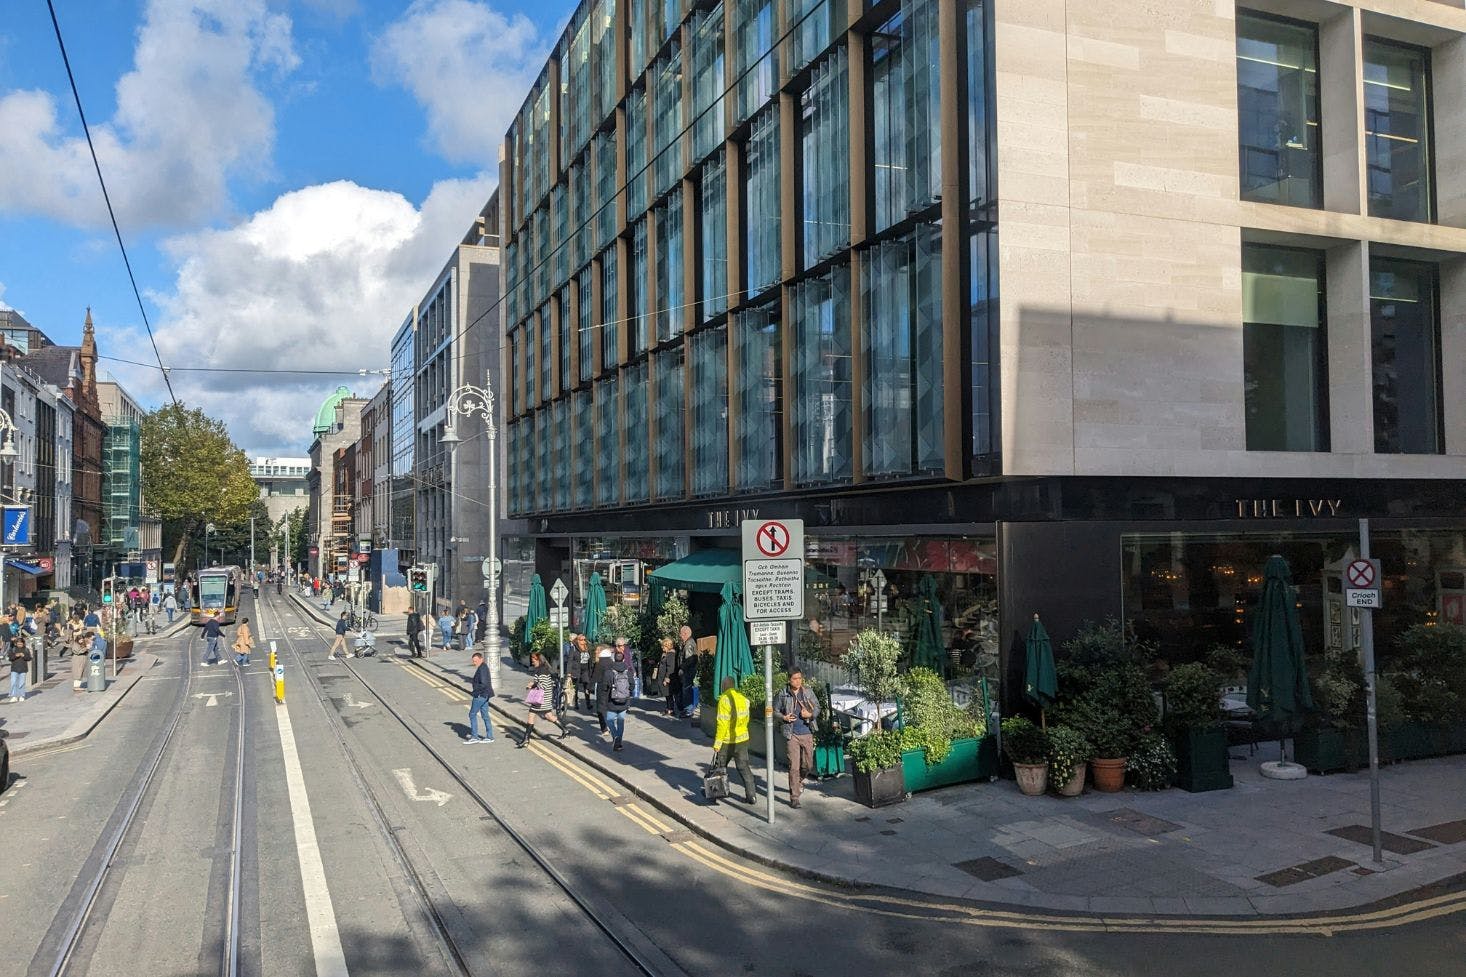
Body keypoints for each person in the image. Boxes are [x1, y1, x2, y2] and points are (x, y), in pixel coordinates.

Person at [773, 669, 820, 809]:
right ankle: (794, 797)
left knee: (808, 765)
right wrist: (784, 717)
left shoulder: (807, 691)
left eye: (799, 678)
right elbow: (774, 711)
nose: (798, 681)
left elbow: (817, 707)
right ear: (789, 680)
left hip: (807, 732)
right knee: (793, 766)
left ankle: (798, 781)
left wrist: (810, 714)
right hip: (791, 733)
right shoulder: (783, 693)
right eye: (794, 678)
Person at [711, 676, 756, 804]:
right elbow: (746, 719)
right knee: (743, 767)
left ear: (724, 686)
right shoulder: (743, 699)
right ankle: (751, 795)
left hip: (726, 741)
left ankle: (716, 793)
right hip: (742, 740)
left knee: (720, 767)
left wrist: (717, 743)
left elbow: (722, 724)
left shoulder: (724, 700)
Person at [518, 651, 569, 747]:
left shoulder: (542, 671)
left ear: (539, 660)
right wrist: (534, 685)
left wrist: (532, 686)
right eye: (532, 659)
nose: (532, 661)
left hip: (542, 699)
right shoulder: (541, 669)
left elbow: (544, 685)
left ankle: (526, 739)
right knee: (549, 716)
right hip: (544, 698)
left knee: (531, 715)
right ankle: (565, 730)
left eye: (534, 659)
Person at [597, 643, 634, 752]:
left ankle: (616, 737)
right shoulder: (628, 672)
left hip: (612, 701)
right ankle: (619, 743)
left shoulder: (609, 672)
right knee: (621, 721)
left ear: (614, 660)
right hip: (624, 701)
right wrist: (626, 692)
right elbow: (632, 686)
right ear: (623, 660)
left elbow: (604, 687)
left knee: (609, 720)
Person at [463, 651, 495, 743]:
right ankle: (489, 736)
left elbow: (484, 683)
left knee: (472, 714)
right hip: (486, 694)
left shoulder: (482, 669)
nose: (474, 663)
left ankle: (474, 736)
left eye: (476, 661)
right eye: (473, 661)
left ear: (481, 659)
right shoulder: (483, 667)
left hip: (481, 695)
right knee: (485, 715)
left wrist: (475, 691)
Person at [678, 625, 699, 719]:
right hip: (689, 670)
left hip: (688, 671)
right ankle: (688, 709)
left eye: (681, 634)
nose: (680, 636)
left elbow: (689, 659)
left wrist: (682, 668)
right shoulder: (690, 642)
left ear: (685, 634)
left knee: (686, 690)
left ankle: (688, 710)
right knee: (687, 689)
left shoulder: (688, 644)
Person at [655, 637, 679, 716]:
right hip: (663, 677)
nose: (662, 647)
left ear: (668, 646)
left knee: (669, 694)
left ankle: (671, 709)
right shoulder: (666, 653)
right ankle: (668, 708)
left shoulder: (671, 654)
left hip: (667, 678)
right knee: (666, 694)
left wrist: (667, 678)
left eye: (663, 646)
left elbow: (670, 667)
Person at [572, 634, 594, 711]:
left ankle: (588, 703)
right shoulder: (574, 648)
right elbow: (570, 661)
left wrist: (591, 669)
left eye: (584, 639)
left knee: (586, 686)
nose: (583, 641)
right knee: (576, 687)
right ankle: (576, 703)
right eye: (581, 640)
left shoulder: (588, 647)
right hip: (577, 670)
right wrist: (568, 673)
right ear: (578, 640)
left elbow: (590, 659)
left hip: (586, 670)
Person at [7, 633, 31, 702]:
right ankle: (14, 696)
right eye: (18, 644)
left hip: (23, 669)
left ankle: (21, 695)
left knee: (22, 683)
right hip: (14, 668)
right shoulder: (13, 649)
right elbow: (10, 658)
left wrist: (24, 655)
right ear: (16, 644)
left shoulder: (26, 650)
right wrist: (15, 656)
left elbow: (29, 658)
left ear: (23, 643)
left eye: (21, 644)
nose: (20, 645)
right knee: (13, 682)